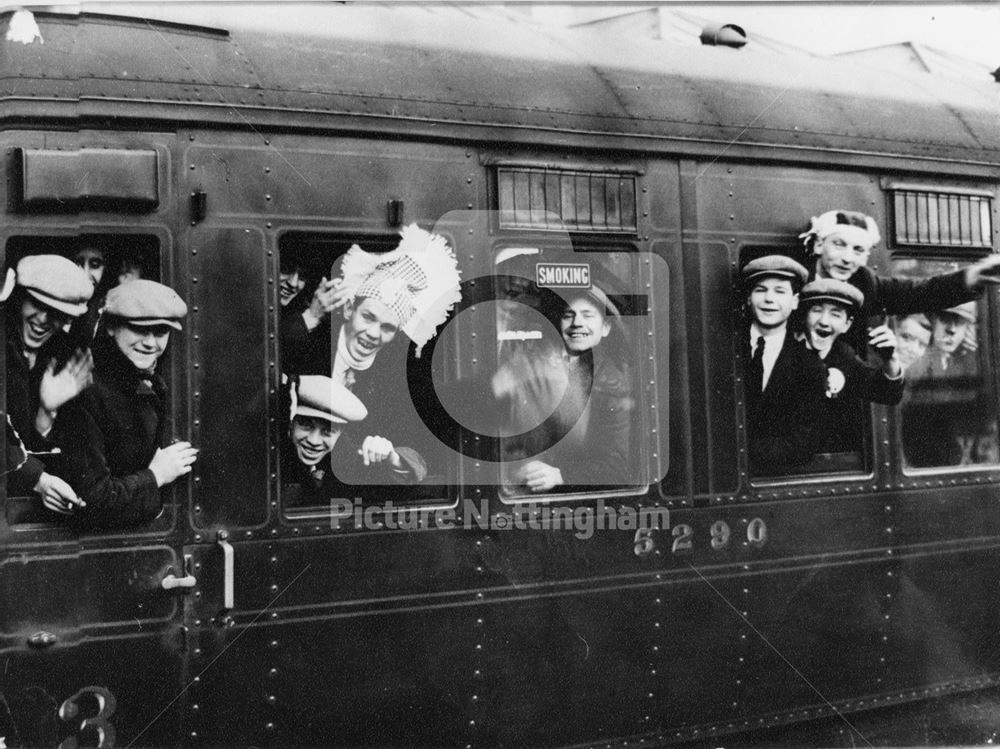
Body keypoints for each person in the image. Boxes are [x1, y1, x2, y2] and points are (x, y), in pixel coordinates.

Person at [280, 224, 461, 473]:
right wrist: (310, 318)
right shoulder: (309, 343)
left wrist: (395, 457)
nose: (373, 334)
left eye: (387, 327)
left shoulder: (401, 378)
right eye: (368, 317)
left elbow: (423, 445)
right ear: (348, 310)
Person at [51, 279, 197, 529]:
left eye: (161, 331)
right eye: (140, 329)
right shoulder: (86, 393)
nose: (151, 342)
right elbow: (92, 501)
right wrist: (156, 476)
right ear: (110, 327)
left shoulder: (151, 382)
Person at [495, 284, 634, 493]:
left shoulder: (612, 386)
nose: (577, 323)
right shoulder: (533, 364)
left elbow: (616, 466)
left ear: (605, 328)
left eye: (588, 316)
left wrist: (561, 476)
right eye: (569, 315)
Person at [800, 210, 1000, 353]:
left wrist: (973, 276)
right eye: (839, 245)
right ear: (818, 245)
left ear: (866, 257)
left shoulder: (867, 286)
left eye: (858, 250)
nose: (847, 258)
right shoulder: (792, 283)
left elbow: (924, 293)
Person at [5, 255, 95, 482]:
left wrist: (46, 413)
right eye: (36, 304)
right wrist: (37, 479)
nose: (43, 319)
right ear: (19, 299)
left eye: (55, 312)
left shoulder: (60, 359)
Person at [281, 375, 427, 507]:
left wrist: (393, 459)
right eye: (305, 425)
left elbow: (413, 473)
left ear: (341, 432)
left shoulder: (345, 457)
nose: (314, 440)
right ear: (291, 421)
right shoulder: (273, 455)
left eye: (328, 431)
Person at [741, 255, 827, 473]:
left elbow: (802, 444)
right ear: (749, 298)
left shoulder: (810, 367)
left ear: (795, 301)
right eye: (761, 290)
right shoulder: (721, 351)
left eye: (780, 291)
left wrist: (741, 452)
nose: (769, 299)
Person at [798, 278, 904, 453]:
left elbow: (888, 393)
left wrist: (890, 359)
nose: (824, 321)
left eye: (836, 314)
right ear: (804, 316)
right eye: (817, 310)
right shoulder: (784, 350)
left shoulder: (844, 356)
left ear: (847, 325)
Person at [908, 303, 979, 379]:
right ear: (932, 320)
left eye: (960, 321)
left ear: (968, 328)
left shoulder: (969, 363)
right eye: (945, 318)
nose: (952, 330)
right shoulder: (915, 361)